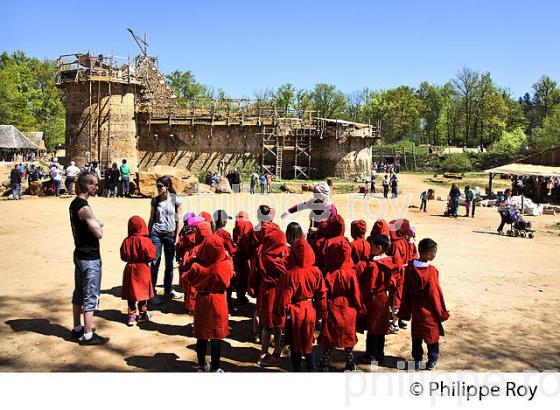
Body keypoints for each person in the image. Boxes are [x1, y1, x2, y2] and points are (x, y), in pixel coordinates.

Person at [274, 238, 327, 372]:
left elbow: (284, 299)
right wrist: (321, 313)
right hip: (310, 311)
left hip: (294, 313)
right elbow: (322, 294)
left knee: (295, 344)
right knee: (308, 342)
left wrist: (279, 315)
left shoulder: (289, 275)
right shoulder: (316, 272)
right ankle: (312, 369)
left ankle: (297, 370)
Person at [69, 172, 108, 345]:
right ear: (88, 185)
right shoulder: (84, 208)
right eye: (95, 184)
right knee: (90, 295)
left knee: (78, 292)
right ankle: (87, 334)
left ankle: (77, 327)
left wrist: (94, 222)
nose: (97, 187)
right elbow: (99, 234)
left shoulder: (73, 204)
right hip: (89, 257)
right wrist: (98, 225)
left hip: (78, 253)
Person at [398, 238, 450, 370]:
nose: (434, 255)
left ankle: (417, 360)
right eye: (434, 253)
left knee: (417, 336)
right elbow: (435, 293)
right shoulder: (432, 271)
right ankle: (432, 361)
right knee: (432, 336)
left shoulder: (409, 269)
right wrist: (441, 312)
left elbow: (406, 291)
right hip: (428, 310)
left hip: (416, 309)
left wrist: (406, 309)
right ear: (428, 254)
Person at [186, 235, 235, 372]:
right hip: (219, 302)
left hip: (202, 302)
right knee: (216, 337)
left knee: (202, 335)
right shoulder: (225, 265)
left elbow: (187, 277)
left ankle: (202, 365)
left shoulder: (197, 266)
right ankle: (216, 367)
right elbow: (231, 276)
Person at [318, 238, 363, 371]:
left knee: (330, 339)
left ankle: (324, 364)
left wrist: (323, 310)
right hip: (349, 310)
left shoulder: (329, 274)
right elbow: (356, 293)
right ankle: (350, 364)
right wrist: (359, 308)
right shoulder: (351, 273)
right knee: (348, 340)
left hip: (333, 307)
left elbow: (324, 294)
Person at [355, 234, 397, 364]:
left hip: (373, 299)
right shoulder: (389, 262)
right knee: (381, 328)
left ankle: (371, 355)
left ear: (378, 248)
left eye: (372, 246)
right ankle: (380, 353)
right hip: (383, 298)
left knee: (373, 328)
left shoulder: (374, 265)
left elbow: (370, 285)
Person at [148, 176, 183, 304]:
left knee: (169, 264)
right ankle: (151, 291)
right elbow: (152, 218)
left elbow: (179, 219)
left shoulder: (175, 201)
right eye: (157, 186)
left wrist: (177, 236)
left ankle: (168, 289)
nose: (158, 188)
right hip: (156, 234)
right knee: (155, 263)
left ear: (167, 187)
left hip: (170, 234)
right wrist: (148, 233)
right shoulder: (155, 201)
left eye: (160, 186)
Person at [120, 216, 157, 326]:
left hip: (130, 268)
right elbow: (152, 255)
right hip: (143, 269)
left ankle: (131, 315)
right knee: (143, 292)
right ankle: (142, 314)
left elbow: (123, 256)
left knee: (131, 292)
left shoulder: (126, 241)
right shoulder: (146, 241)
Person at [213, 210, 237, 310]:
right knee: (229, 285)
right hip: (225, 262)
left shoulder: (213, 232)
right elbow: (232, 249)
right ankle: (229, 305)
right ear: (223, 222)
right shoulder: (224, 233)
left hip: (215, 263)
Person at [232, 211, 253, 305]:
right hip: (246, 255)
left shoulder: (236, 227)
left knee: (239, 276)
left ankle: (240, 296)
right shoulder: (248, 224)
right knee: (247, 275)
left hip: (237, 255)